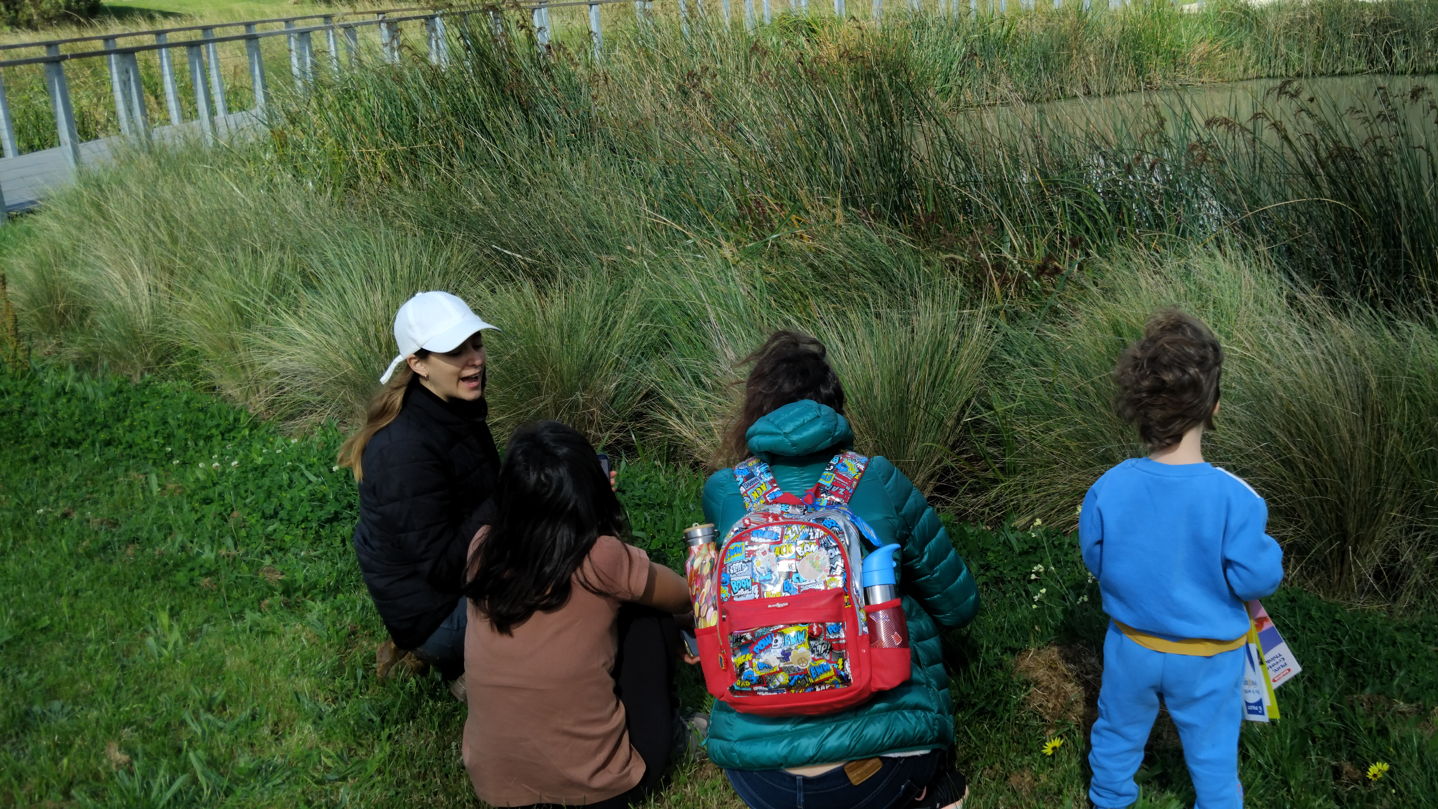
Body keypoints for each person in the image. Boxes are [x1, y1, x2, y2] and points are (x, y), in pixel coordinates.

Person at [699, 330, 980, 809]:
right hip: (879, 766)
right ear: (834, 407)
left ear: (756, 413)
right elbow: (957, 606)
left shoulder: (727, 490)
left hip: (760, 774)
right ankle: (933, 796)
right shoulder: (876, 477)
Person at [1079, 309, 1285, 809]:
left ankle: (1109, 797)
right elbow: (1255, 577)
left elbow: (1096, 557)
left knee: (1118, 730)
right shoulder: (1236, 498)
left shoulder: (1108, 487)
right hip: (1210, 656)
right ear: (1213, 406)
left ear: (1142, 408)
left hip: (1132, 645)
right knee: (1214, 750)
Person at [462, 420, 693, 809]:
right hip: (603, 790)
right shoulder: (600, 557)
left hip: (498, 787)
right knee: (646, 617)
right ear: (590, 491)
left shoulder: (482, 548)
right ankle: (675, 729)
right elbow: (682, 594)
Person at [338, 290, 500, 686]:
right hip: (436, 615)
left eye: (476, 342)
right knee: (577, 596)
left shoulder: (454, 409)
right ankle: (471, 675)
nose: (474, 358)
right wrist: (517, 492)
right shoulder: (402, 449)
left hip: (466, 578)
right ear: (418, 364)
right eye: (455, 350)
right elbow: (443, 566)